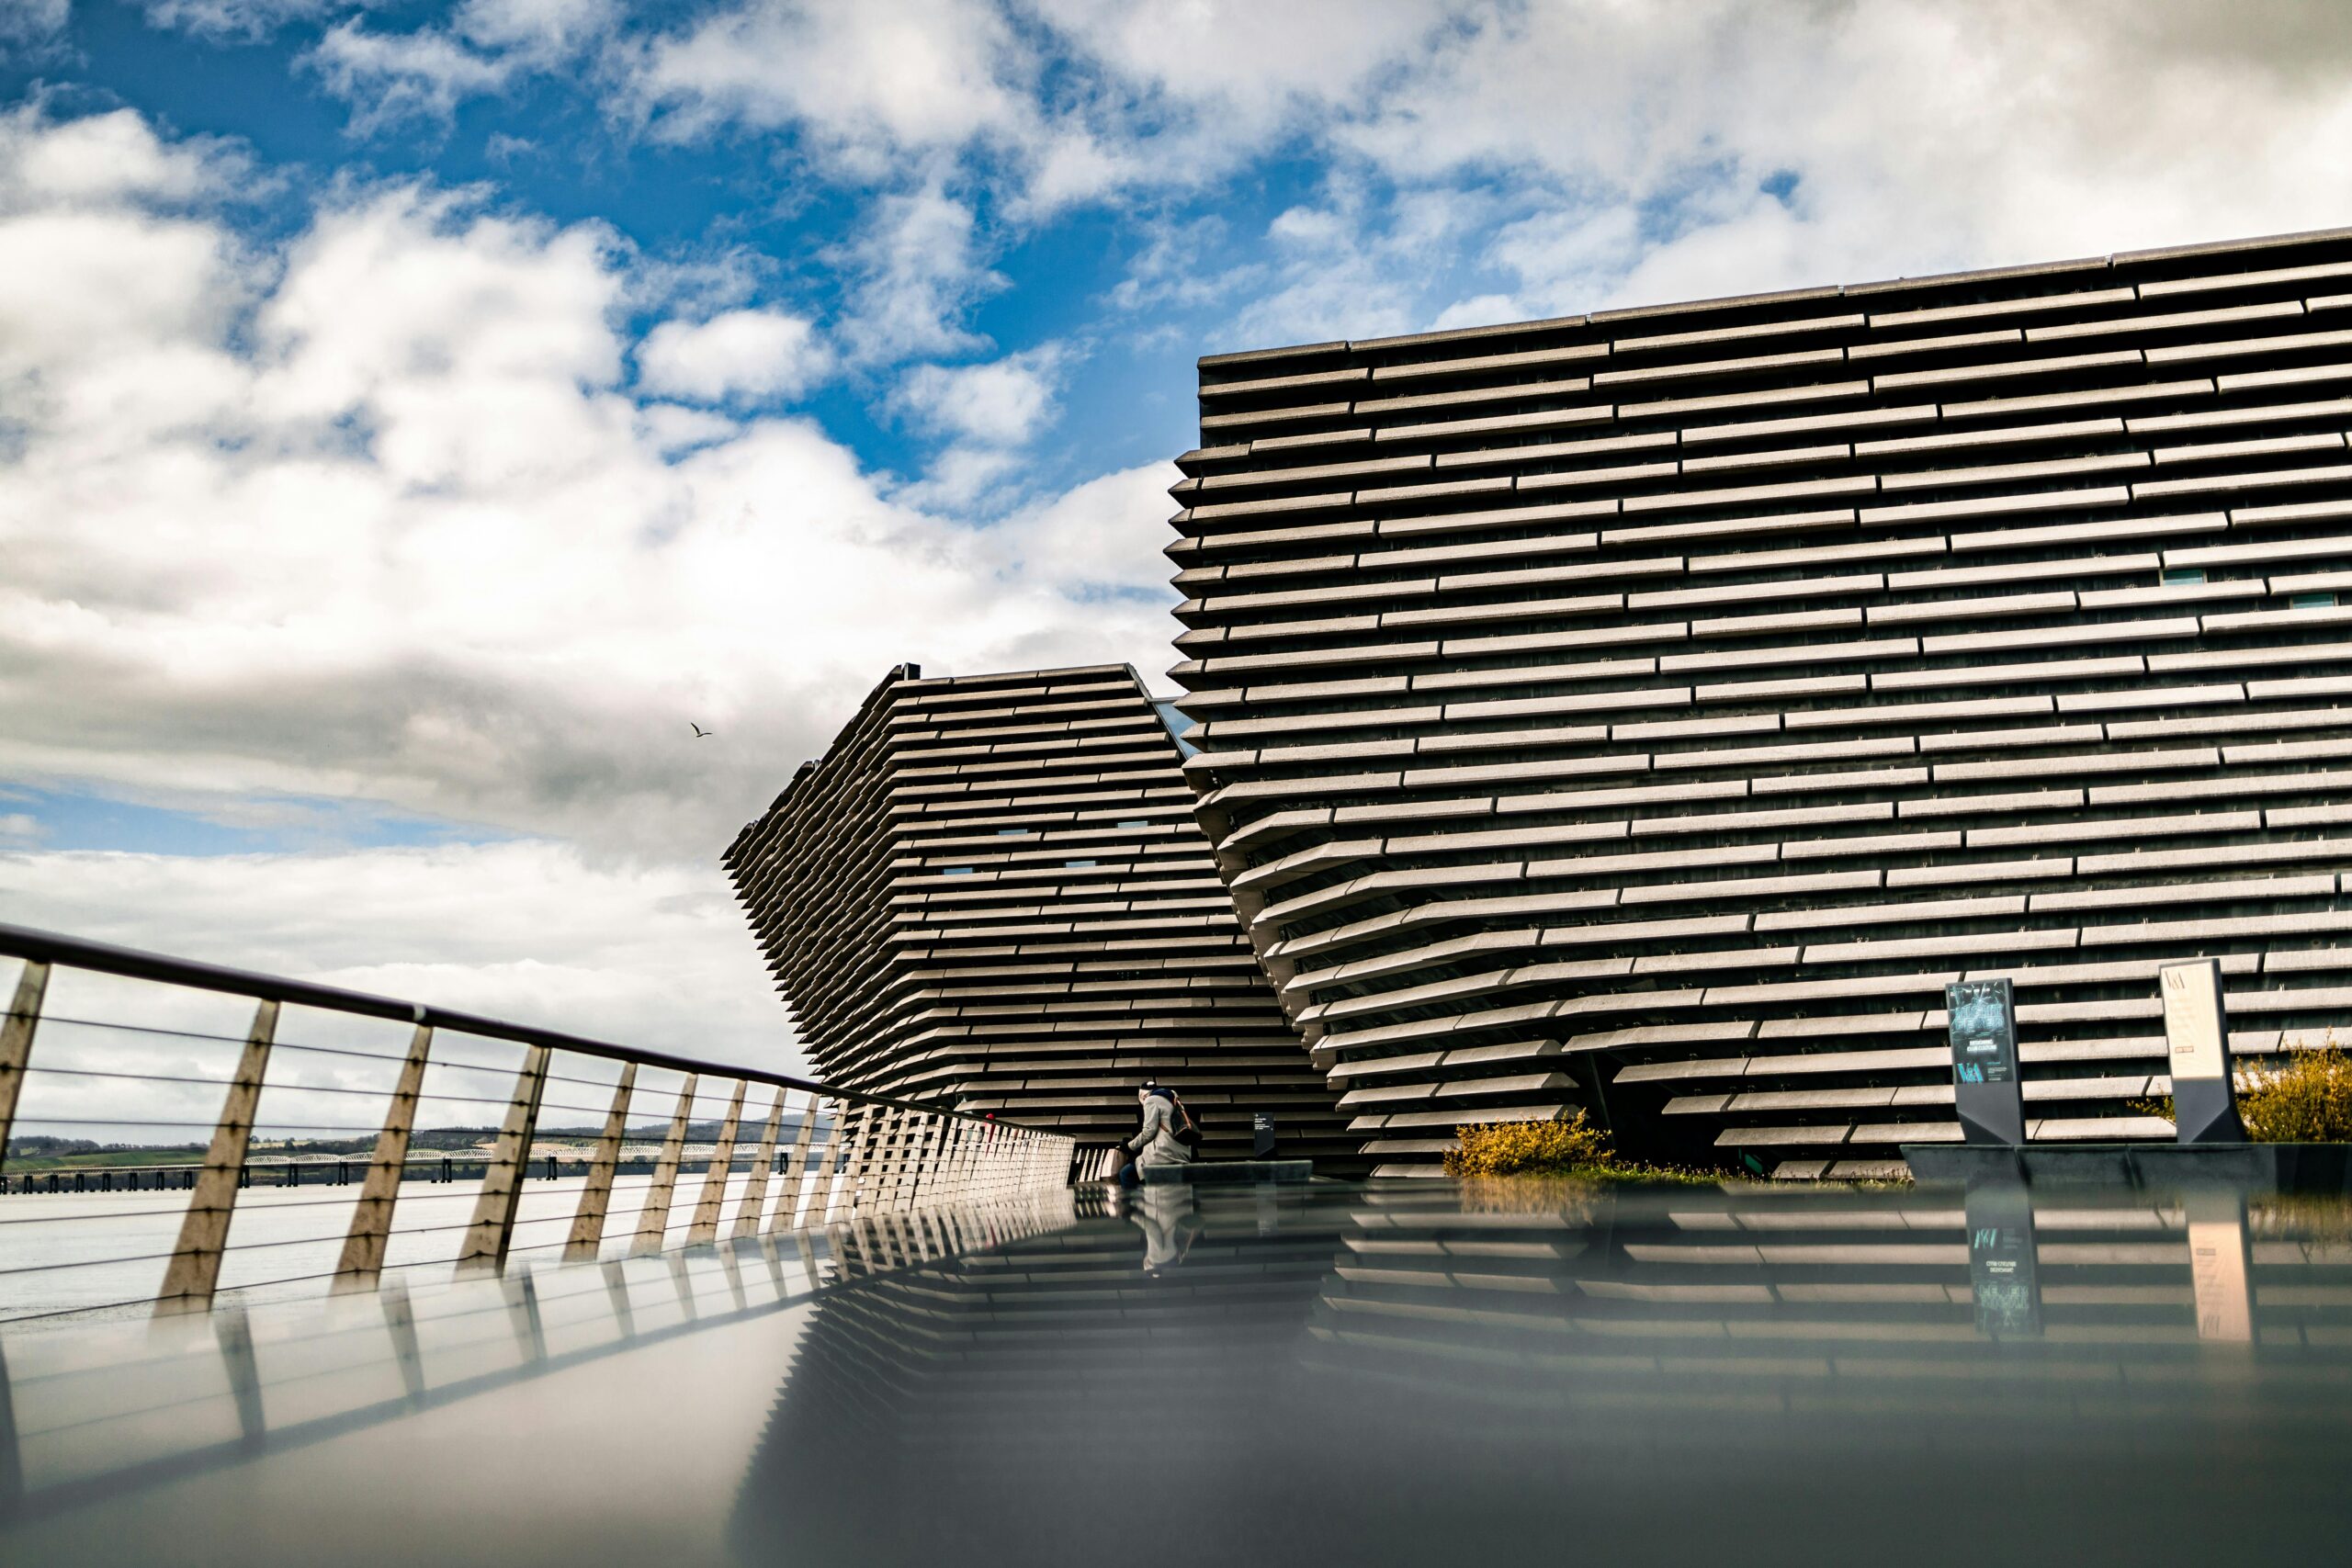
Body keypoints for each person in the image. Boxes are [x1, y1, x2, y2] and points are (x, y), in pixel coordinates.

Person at [1116, 1082, 1193, 1190]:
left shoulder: (1151, 1100)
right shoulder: (1172, 1098)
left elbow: (1149, 1131)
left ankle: (1136, 1204)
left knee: (1126, 1174)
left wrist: (1129, 1146)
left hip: (1163, 1153)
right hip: (1181, 1151)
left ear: (1142, 1096)